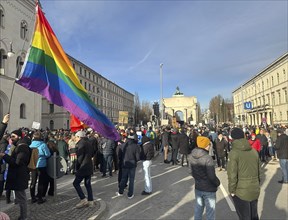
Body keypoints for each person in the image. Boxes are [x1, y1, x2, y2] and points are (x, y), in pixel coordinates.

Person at [227, 127, 260, 220]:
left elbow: (232, 174)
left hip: (240, 191)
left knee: (244, 217)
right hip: (254, 188)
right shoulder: (253, 151)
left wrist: (232, 190)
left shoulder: (234, 153)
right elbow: (259, 170)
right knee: (254, 216)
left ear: (233, 138)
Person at [0, 129, 31, 220]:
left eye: (14, 136)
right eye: (11, 136)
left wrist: (4, 156)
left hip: (19, 176)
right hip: (17, 176)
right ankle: (23, 216)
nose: (11, 138)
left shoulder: (22, 147)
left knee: (21, 199)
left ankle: (23, 217)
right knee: (20, 198)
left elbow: (16, 162)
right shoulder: (18, 145)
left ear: (19, 137)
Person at [188, 136, 220, 220]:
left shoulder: (191, 156)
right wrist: (217, 183)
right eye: (209, 144)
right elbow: (211, 176)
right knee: (210, 211)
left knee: (198, 209)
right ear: (206, 145)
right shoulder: (207, 158)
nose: (210, 146)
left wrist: (198, 178)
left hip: (198, 186)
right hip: (209, 188)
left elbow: (190, 171)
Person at [73, 130, 94, 208]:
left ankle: (83, 199)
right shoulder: (88, 142)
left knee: (75, 183)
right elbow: (92, 153)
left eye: (76, 137)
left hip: (83, 167)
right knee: (87, 184)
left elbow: (80, 157)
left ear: (79, 137)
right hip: (89, 166)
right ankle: (91, 201)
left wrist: (77, 168)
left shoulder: (81, 143)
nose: (75, 138)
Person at [117, 128, 140, 199]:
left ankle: (120, 192)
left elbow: (119, 154)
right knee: (131, 180)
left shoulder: (123, 145)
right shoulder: (136, 146)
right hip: (132, 164)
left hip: (125, 163)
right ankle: (130, 194)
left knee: (123, 178)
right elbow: (138, 157)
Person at [29, 131, 51, 204]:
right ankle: (40, 198)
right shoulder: (43, 145)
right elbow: (47, 154)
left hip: (33, 165)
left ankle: (32, 198)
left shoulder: (30, 145)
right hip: (41, 165)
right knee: (41, 182)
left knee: (33, 182)